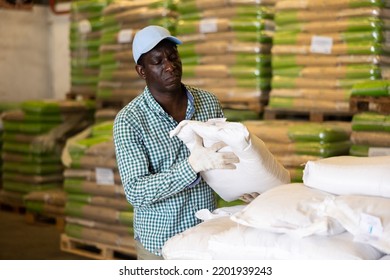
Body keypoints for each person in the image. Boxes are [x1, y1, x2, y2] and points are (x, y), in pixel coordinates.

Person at [113, 25, 240, 260]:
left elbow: (223, 155)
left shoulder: (208, 102)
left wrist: (244, 188)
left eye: (173, 57)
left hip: (205, 235)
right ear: (142, 71)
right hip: (160, 244)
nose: (169, 66)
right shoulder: (130, 120)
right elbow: (136, 191)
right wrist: (190, 167)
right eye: (157, 61)